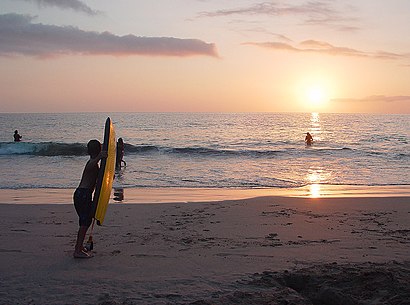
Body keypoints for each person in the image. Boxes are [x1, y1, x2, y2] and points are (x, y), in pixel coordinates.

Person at [73, 140, 107, 258]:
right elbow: (91, 166)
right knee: (85, 223)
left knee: (84, 222)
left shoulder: (95, 164)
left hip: (82, 195)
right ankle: (77, 251)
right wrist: (99, 157)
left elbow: (100, 180)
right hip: (83, 194)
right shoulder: (91, 162)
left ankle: (79, 247)